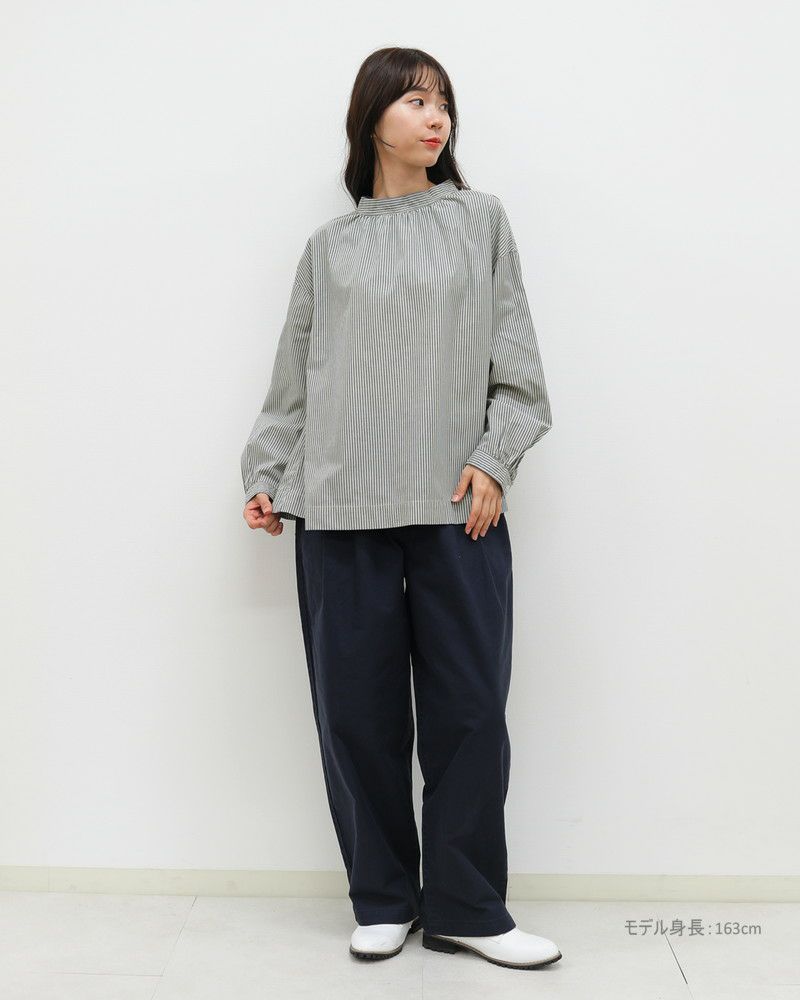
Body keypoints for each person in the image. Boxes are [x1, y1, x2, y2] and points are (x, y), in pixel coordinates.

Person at [240, 47, 561, 971]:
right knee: (357, 714)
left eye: (444, 102)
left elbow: (519, 369)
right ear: (372, 117)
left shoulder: (479, 221)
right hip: (340, 504)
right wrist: (268, 470)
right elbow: (294, 380)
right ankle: (382, 897)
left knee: (470, 711)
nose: (436, 117)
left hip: (458, 504)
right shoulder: (329, 249)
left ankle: (468, 908)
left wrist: (495, 457)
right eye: (416, 100)